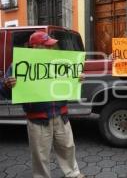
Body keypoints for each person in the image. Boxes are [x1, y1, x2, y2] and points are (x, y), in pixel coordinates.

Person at [0, 31, 85, 178]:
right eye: (46, 46)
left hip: (61, 115)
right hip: (38, 119)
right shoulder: (18, 65)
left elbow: (68, 86)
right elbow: (4, 92)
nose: (51, 49)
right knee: (40, 155)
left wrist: (77, 79)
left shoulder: (60, 63)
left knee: (68, 147)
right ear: (35, 47)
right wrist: (8, 85)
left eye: (51, 46)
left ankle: (73, 173)